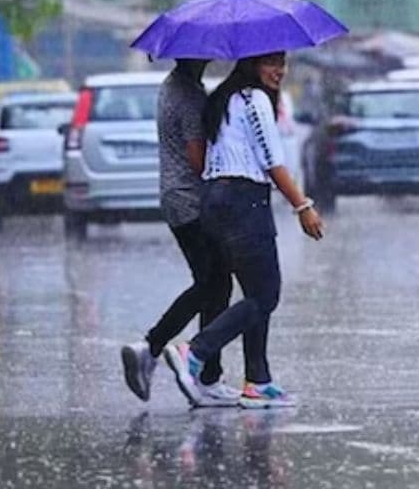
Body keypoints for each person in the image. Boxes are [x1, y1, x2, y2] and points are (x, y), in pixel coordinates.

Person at [164, 51, 324, 410]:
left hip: (214, 202)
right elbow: (271, 160)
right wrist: (303, 206)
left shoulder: (224, 98)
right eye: (270, 63)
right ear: (251, 64)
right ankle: (195, 351)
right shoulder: (254, 101)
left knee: (254, 294)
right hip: (243, 201)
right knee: (265, 296)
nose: (279, 71)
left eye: (282, 63)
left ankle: (259, 381)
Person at [121, 58, 238, 406]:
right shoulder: (188, 96)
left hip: (176, 198)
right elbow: (198, 159)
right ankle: (184, 362)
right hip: (191, 201)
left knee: (213, 283)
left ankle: (193, 366)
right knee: (214, 283)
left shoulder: (174, 86)